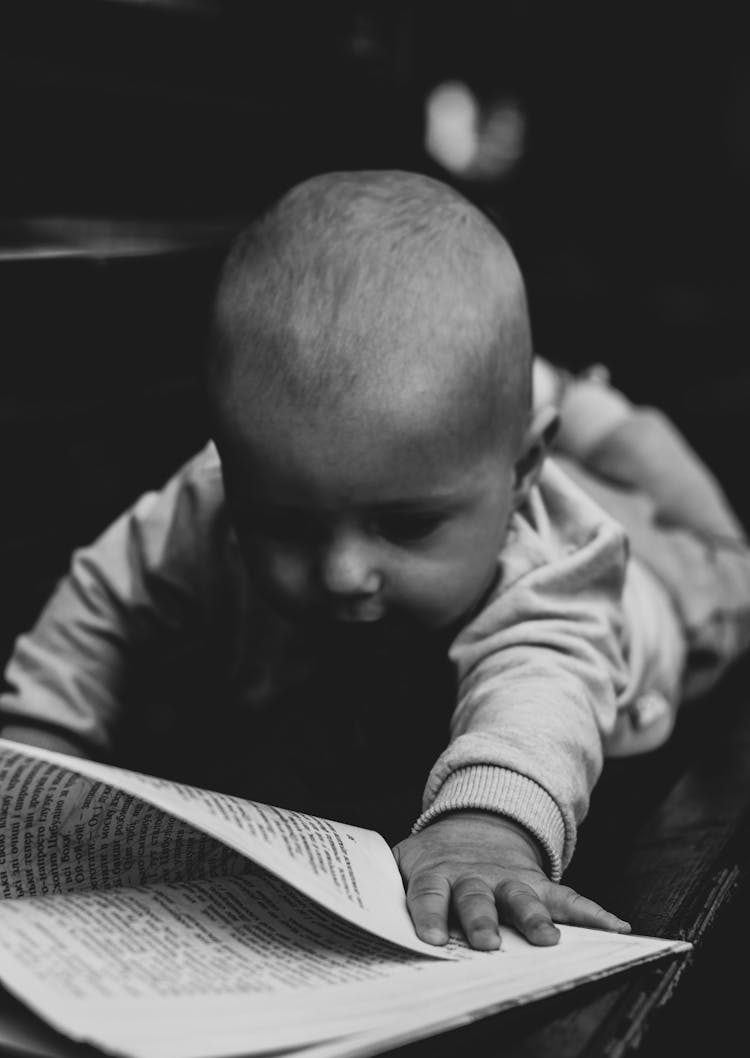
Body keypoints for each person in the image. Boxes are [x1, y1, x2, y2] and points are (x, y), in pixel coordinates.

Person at [1, 170, 749, 953]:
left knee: (716, 555)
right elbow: (103, 599)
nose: (341, 571)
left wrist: (481, 831)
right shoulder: (218, 494)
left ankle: (579, 404)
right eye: (283, 524)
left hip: (663, 598)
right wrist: (34, 755)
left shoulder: (551, 573)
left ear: (523, 472)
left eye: (406, 524)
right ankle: (527, 403)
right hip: (478, 472)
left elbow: (541, 690)